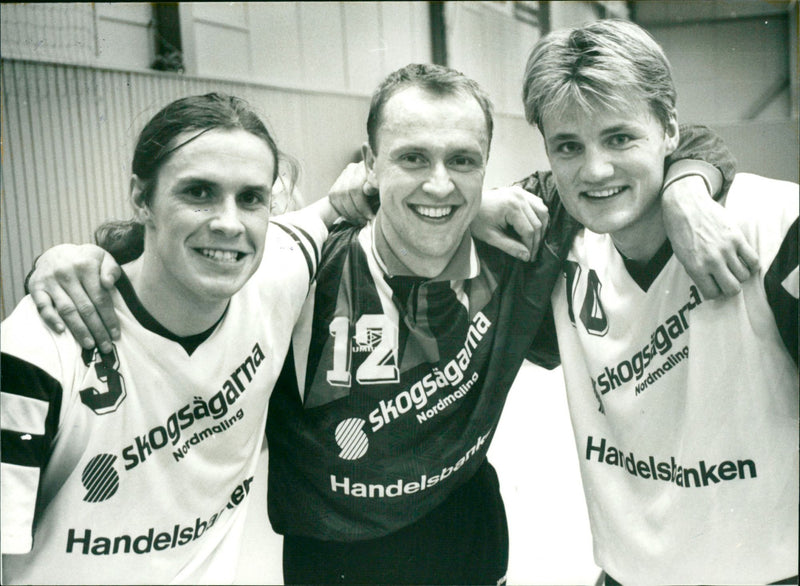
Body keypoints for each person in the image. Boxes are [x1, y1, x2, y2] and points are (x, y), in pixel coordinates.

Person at [21, 64, 748, 584]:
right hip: (335, 559)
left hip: (468, 536)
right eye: (412, 159)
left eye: (463, 160)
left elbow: (671, 145)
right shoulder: (304, 269)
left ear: (489, 168)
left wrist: (686, 194)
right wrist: (74, 257)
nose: (439, 183)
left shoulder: (523, 231)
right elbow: (193, 252)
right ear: (369, 165)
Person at [0, 93, 338, 584]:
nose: (228, 222)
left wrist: (480, 209)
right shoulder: (40, 348)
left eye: (251, 198)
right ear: (141, 198)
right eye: (198, 192)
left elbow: (363, 198)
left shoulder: (278, 274)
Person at [514, 19, 797, 585]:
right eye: (568, 146)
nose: (594, 170)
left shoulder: (776, 224)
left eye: (620, 138)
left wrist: (686, 186)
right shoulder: (550, 244)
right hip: (626, 576)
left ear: (670, 128)